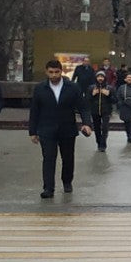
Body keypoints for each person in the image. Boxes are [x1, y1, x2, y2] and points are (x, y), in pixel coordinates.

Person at [27, 58, 91, 198]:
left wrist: (87, 123)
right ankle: (48, 188)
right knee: (48, 158)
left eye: (57, 72)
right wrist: (32, 131)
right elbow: (34, 111)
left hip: (67, 128)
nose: (54, 75)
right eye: (51, 72)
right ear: (46, 72)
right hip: (46, 129)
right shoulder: (40, 88)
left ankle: (67, 181)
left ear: (61, 72)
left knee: (68, 158)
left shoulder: (72, 87)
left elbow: (83, 107)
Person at [113, 70, 131, 146]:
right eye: (128, 77)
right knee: (126, 123)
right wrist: (120, 104)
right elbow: (118, 97)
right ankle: (128, 135)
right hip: (125, 108)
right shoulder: (122, 87)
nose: (129, 79)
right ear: (125, 79)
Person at [88, 70, 114, 152]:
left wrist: (109, 95)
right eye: (98, 77)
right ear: (96, 78)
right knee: (97, 128)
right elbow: (87, 100)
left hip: (106, 111)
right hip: (95, 111)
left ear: (104, 78)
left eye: (102, 77)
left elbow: (115, 100)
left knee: (105, 128)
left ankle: (103, 144)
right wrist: (92, 95)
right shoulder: (91, 87)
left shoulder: (109, 88)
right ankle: (99, 143)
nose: (100, 78)